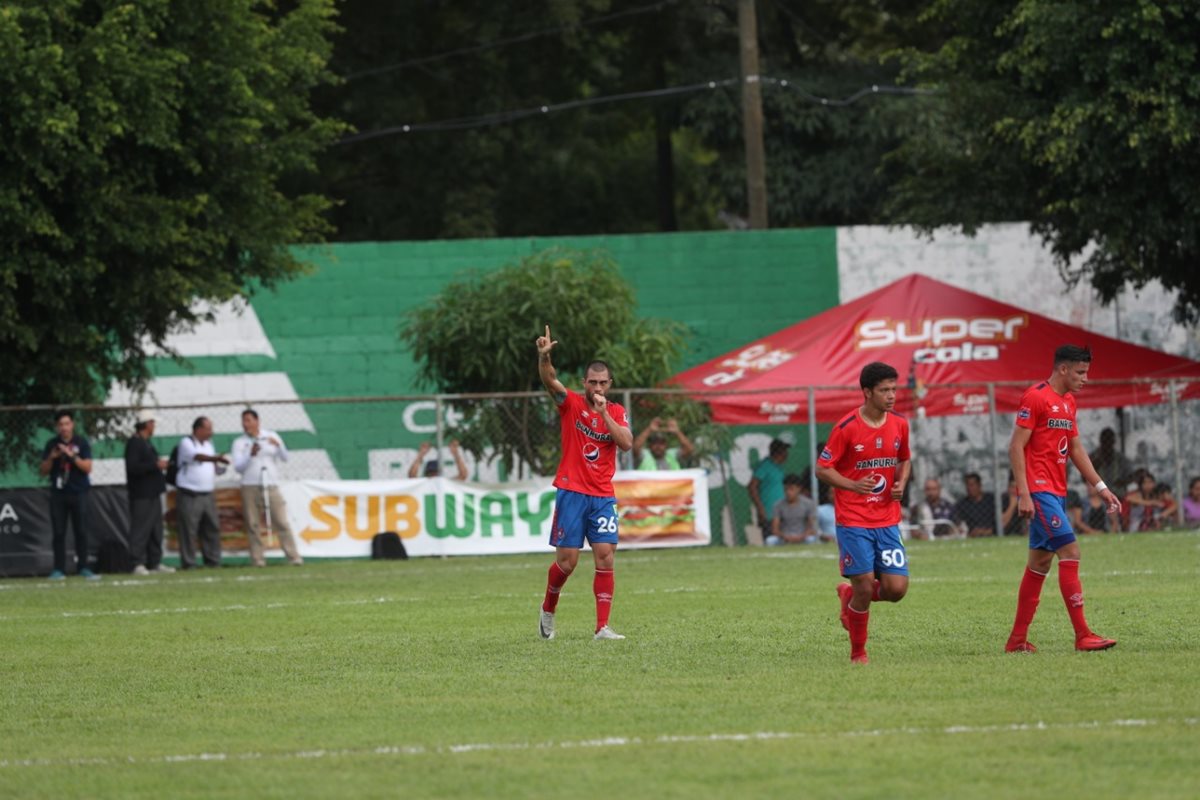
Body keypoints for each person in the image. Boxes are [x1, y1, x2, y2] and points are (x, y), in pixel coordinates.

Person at [1005, 344, 1122, 654]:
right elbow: (1016, 446)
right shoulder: (1036, 397)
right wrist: (1024, 493)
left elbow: (1076, 449)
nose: (1085, 379)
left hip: (1055, 492)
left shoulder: (1069, 403)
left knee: (1040, 564)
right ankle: (1083, 634)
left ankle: (1016, 641)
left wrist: (1101, 487)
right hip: (1040, 491)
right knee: (1070, 551)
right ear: (1063, 369)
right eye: (1081, 372)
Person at [535, 325, 633, 641]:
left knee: (605, 555)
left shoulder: (617, 412)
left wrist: (605, 416)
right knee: (567, 563)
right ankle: (548, 609)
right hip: (572, 491)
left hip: (602, 495)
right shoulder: (572, 404)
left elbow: (627, 443)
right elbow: (550, 380)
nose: (598, 387)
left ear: (610, 384)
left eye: (603, 382)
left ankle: (602, 627)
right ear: (584, 384)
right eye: (593, 382)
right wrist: (544, 358)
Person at [816, 361, 911, 664]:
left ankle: (849, 597)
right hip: (853, 519)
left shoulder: (900, 424)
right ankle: (858, 653)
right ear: (867, 392)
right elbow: (822, 469)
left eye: (894, 389)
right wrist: (852, 486)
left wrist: (901, 483)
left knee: (896, 590)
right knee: (865, 583)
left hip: (887, 519)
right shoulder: (846, 429)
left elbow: (905, 459)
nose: (891, 395)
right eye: (884, 390)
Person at [232, 409, 303, 567]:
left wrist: (278, 446)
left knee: (281, 520)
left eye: (249, 420)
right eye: (244, 421)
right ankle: (258, 558)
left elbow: (285, 458)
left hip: (270, 483)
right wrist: (250, 454)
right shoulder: (239, 442)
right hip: (250, 485)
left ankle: (293, 556)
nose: (246, 424)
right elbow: (238, 467)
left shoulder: (271, 436)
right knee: (253, 523)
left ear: (257, 421)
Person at [39, 410, 99, 580]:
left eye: (67, 424)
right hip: (59, 493)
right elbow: (43, 471)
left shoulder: (81, 442)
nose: (64, 428)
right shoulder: (52, 444)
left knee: (81, 531)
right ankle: (59, 568)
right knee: (59, 532)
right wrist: (53, 457)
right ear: (57, 427)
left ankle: (84, 567)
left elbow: (88, 467)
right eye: (61, 425)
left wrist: (73, 457)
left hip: (79, 492)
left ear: (72, 424)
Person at [124, 409, 175, 575]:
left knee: (155, 529)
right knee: (140, 528)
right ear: (146, 424)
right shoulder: (134, 443)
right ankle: (137, 562)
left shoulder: (147, 443)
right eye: (152, 423)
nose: (154, 426)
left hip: (153, 493)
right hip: (141, 494)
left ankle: (155, 561)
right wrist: (155, 465)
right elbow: (133, 467)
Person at [175, 416, 230, 569]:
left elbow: (210, 463)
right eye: (208, 429)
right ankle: (189, 562)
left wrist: (218, 468)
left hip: (207, 493)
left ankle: (212, 560)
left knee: (212, 527)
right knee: (189, 529)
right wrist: (215, 458)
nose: (211, 432)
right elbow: (197, 457)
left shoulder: (209, 444)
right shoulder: (187, 443)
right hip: (190, 493)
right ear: (198, 429)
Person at [748, 432, 795, 541]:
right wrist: (760, 508)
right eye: (784, 451)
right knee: (771, 539)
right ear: (779, 452)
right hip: (769, 511)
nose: (787, 454)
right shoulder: (765, 466)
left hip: (783, 511)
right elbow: (752, 486)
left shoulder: (780, 468)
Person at [767, 474, 819, 545]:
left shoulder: (808, 504)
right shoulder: (778, 505)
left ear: (799, 489)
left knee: (811, 539)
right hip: (784, 538)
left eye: (791, 489)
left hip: (803, 537)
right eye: (786, 489)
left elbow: (812, 527)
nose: (788, 492)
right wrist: (786, 537)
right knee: (770, 540)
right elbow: (775, 530)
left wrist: (801, 537)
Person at [1088, 428, 1133, 500]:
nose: (1107, 444)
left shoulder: (1121, 458)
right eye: (1105, 441)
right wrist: (1094, 467)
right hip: (1099, 496)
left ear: (1113, 442)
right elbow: (1084, 478)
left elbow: (1131, 476)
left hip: (1118, 495)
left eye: (1110, 441)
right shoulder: (1093, 457)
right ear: (1101, 441)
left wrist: (1122, 482)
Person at [953, 472, 996, 537]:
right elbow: (958, 523)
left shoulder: (991, 500)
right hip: (971, 535)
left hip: (992, 532)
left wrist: (987, 531)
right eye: (967, 485)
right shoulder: (961, 505)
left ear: (979, 485)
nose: (969, 488)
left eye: (972, 485)